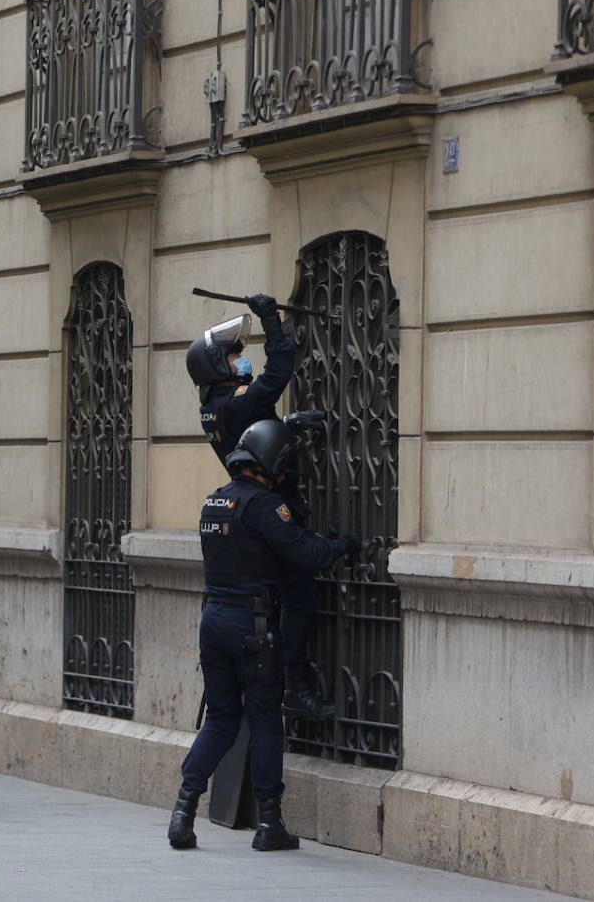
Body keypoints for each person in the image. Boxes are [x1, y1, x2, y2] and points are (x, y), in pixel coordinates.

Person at [168, 420, 360, 852]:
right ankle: (270, 823)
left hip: (213, 621)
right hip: (252, 628)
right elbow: (306, 554)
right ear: (270, 460)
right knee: (265, 720)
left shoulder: (214, 503)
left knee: (219, 719)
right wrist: (345, 546)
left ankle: (183, 811)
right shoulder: (264, 507)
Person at [185, 293, 335, 720]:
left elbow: (249, 431)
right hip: (268, 505)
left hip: (252, 510)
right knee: (299, 595)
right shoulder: (235, 401)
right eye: (234, 355)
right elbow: (278, 372)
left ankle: (286, 683)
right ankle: (296, 687)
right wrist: (272, 321)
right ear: (216, 367)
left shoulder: (216, 408)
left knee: (285, 597)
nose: (240, 359)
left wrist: (285, 425)